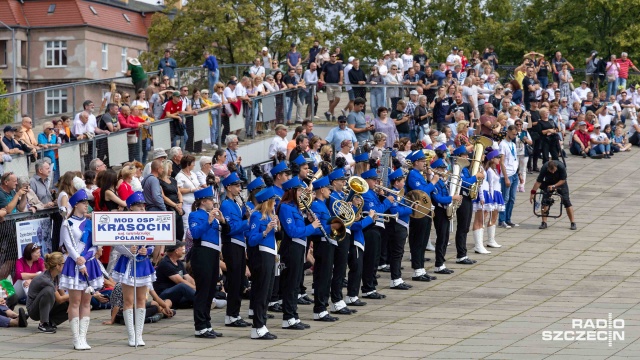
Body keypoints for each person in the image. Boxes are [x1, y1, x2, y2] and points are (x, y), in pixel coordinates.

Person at [59, 191, 104, 350]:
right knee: (75, 301)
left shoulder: (90, 223)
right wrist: (79, 261)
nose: (87, 205)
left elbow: (95, 244)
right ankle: (75, 337)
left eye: (87, 203)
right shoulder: (67, 223)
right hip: (73, 264)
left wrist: (85, 258)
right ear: (76, 204)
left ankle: (83, 336)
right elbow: (68, 246)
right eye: (84, 203)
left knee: (86, 301)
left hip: (89, 263)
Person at [111, 192, 157, 346]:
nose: (142, 209)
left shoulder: (148, 220)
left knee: (142, 300)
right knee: (129, 300)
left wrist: (148, 250)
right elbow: (115, 242)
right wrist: (129, 249)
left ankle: (140, 335)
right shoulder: (122, 222)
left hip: (143, 263)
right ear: (131, 208)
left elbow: (154, 239)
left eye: (143, 206)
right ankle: (131, 335)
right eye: (139, 206)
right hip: (128, 263)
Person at [278, 177, 321, 329]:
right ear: (292, 191)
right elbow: (292, 231)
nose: (302, 193)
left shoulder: (296, 207)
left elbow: (300, 228)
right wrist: (313, 227)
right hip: (291, 249)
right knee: (290, 283)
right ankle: (288, 317)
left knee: (296, 283)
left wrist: (309, 221)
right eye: (299, 190)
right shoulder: (285, 207)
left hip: (298, 247)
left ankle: (294, 316)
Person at [189, 186, 228, 338]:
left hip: (213, 254)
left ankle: (207, 323)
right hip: (202, 253)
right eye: (211, 200)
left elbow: (225, 232)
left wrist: (222, 221)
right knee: (203, 290)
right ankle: (200, 326)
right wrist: (209, 220)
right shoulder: (195, 215)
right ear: (203, 201)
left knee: (211, 290)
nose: (213, 202)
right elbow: (196, 234)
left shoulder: (211, 214)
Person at [247, 187, 279, 340]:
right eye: (273, 201)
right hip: (261, 256)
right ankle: (257, 326)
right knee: (261, 291)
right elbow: (252, 240)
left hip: (270, 255)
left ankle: (262, 324)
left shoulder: (270, 216)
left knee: (267, 292)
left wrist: (277, 227)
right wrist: (266, 231)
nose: (275, 204)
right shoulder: (257, 217)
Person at [219, 173, 251, 328]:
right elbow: (230, 229)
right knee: (234, 281)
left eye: (240, 186)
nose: (239, 189)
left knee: (239, 281)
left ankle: (235, 313)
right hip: (231, 245)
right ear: (228, 187)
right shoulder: (226, 205)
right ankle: (231, 315)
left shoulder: (236, 204)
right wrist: (247, 222)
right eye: (237, 186)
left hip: (239, 244)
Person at [359, 169, 393, 298]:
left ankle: (372, 285)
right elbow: (375, 211)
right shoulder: (365, 193)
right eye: (374, 180)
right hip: (370, 229)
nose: (376, 182)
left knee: (374, 259)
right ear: (366, 181)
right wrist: (387, 201)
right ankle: (368, 288)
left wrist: (381, 196)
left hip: (376, 228)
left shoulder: (371, 193)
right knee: (370, 260)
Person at [452, 145, 484, 265]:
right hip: (461, 197)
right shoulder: (458, 168)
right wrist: (476, 177)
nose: (467, 157)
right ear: (459, 157)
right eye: (464, 156)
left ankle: (463, 253)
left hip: (467, 198)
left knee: (465, 227)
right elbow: (464, 183)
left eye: (466, 155)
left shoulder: (465, 168)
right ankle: (461, 255)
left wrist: (478, 178)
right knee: (462, 226)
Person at [430, 158, 462, 275]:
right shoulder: (433, 183)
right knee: (441, 238)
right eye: (442, 169)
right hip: (439, 211)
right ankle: (439, 264)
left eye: (444, 169)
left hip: (445, 211)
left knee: (445, 238)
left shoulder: (443, 182)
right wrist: (452, 198)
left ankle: (441, 262)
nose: (444, 171)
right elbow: (437, 199)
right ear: (436, 170)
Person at [26, 252, 69, 332]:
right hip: (34, 310)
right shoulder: (45, 279)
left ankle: (51, 322)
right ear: (57, 266)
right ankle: (43, 324)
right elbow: (59, 299)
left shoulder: (57, 276)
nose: (65, 265)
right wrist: (79, 294)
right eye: (63, 263)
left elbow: (63, 296)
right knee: (48, 290)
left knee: (71, 303)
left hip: (46, 305)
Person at [530, 160, 577, 230]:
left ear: (556, 167)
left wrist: (554, 186)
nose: (552, 172)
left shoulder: (561, 167)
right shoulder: (544, 168)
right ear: (548, 168)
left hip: (560, 183)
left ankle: (573, 222)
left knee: (566, 201)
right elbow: (538, 182)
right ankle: (544, 222)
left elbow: (563, 180)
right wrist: (532, 193)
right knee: (544, 201)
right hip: (548, 182)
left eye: (554, 170)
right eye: (551, 171)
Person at [498, 125, 519, 228]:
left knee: (512, 198)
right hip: (507, 174)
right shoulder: (503, 145)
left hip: (514, 173)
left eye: (516, 134)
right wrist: (505, 177)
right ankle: (501, 220)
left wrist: (518, 173)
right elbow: (502, 162)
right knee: (505, 198)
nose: (515, 136)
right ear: (508, 132)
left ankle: (508, 219)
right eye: (513, 134)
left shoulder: (512, 144)